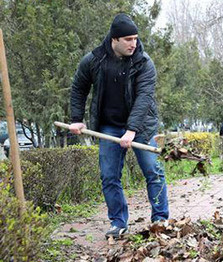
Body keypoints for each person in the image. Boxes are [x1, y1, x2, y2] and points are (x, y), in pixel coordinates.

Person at [69, 14, 169, 238]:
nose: (133, 43)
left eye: (135, 38)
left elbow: (144, 97)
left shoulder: (144, 62)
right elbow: (78, 88)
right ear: (114, 39)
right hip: (109, 126)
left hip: (141, 126)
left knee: (153, 171)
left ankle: (161, 219)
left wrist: (132, 130)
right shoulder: (94, 60)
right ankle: (118, 222)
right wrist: (76, 118)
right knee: (109, 176)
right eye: (128, 39)